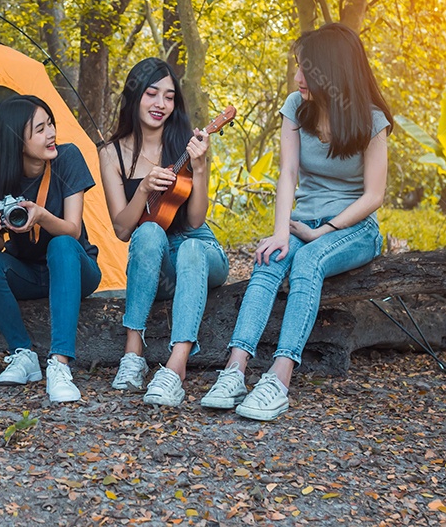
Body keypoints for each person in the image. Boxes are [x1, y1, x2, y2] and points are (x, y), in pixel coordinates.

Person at [202, 23, 391, 421]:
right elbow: (287, 173)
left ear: (332, 71)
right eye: (298, 67)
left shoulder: (371, 121)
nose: (297, 77)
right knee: (270, 259)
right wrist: (280, 230)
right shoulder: (295, 108)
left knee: (308, 262)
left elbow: (374, 196)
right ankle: (234, 369)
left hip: (352, 228)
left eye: (306, 68)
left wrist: (322, 231)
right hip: (303, 220)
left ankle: (279, 377)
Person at [99, 58, 230, 407]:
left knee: (188, 249)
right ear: (134, 95)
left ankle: (176, 367)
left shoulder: (189, 144)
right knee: (148, 233)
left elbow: (198, 221)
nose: (160, 104)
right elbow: (122, 229)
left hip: (200, 251)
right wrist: (142, 190)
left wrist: (199, 169)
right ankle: (133, 355)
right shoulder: (111, 153)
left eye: (169, 97)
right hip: (156, 260)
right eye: (152, 93)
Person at [0, 95, 102, 403]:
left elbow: (73, 229)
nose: (52, 133)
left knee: (61, 244)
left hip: (76, 267)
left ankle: (59, 364)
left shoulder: (68, 157)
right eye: (41, 129)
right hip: (28, 272)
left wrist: (41, 215)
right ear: (16, 140)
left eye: (51, 124)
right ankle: (23, 353)